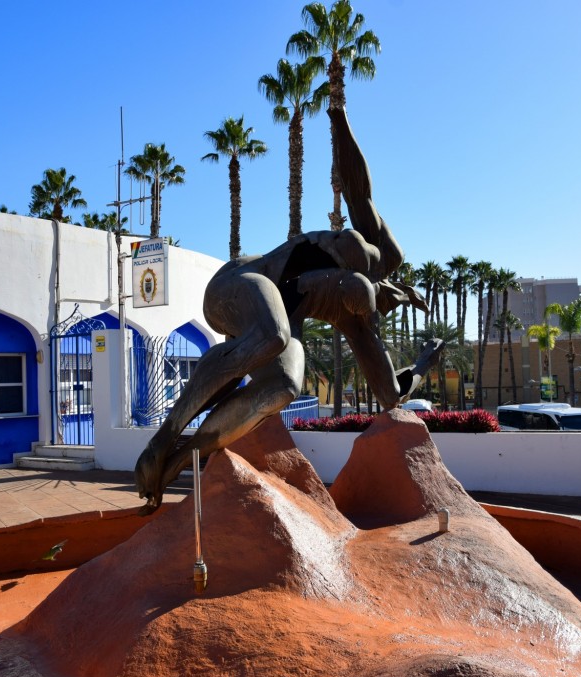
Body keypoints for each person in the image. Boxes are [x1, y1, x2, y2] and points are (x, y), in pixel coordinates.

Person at [133, 106, 442, 513]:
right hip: (238, 285)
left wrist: (423, 363)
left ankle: (179, 460)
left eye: (369, 312)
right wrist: (339, 119)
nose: (366, 314)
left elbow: (389, 395)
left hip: (273, 320)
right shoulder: (372, 254)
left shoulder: (355, 321)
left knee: (284, 385)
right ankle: (164, 438)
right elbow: (358, 189)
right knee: (273, 335)